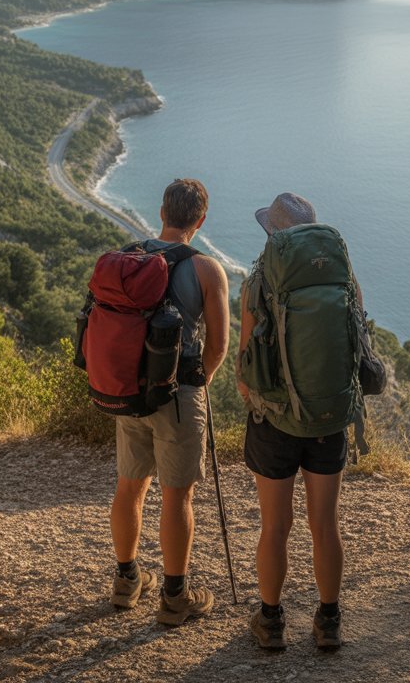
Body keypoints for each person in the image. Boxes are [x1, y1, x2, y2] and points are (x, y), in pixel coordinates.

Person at [236, 192, 357, 651]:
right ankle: (329, 621)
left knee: (275, 526)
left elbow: (245, 372)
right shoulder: (344, 279)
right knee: (325, 524)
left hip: (275, 423)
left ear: (272, 234)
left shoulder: (256, 283)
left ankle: (270, 621)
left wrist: (262, 398)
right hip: (328, 418)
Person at [109, 178, 230, 626]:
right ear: (201, 220)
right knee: (177, 496)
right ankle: (175, 597)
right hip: (179, 396)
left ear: (161, 212)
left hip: (130, 392)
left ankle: (126, 581)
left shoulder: (130, 256)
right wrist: (201, 381)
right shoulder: (206, 270)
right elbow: (218, 346)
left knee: (130, 486)